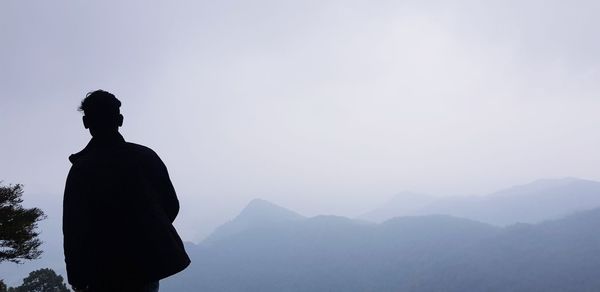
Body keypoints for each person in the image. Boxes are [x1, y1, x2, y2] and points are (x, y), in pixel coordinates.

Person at [63, 90, 190, 292]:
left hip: (102, 271)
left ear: (86, 122)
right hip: (145, 266)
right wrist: (143, 234)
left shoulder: (82, 169)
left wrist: (77, 278)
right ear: (120, 119)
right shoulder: (146, 158)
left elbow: (74, 230)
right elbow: (171, 206)